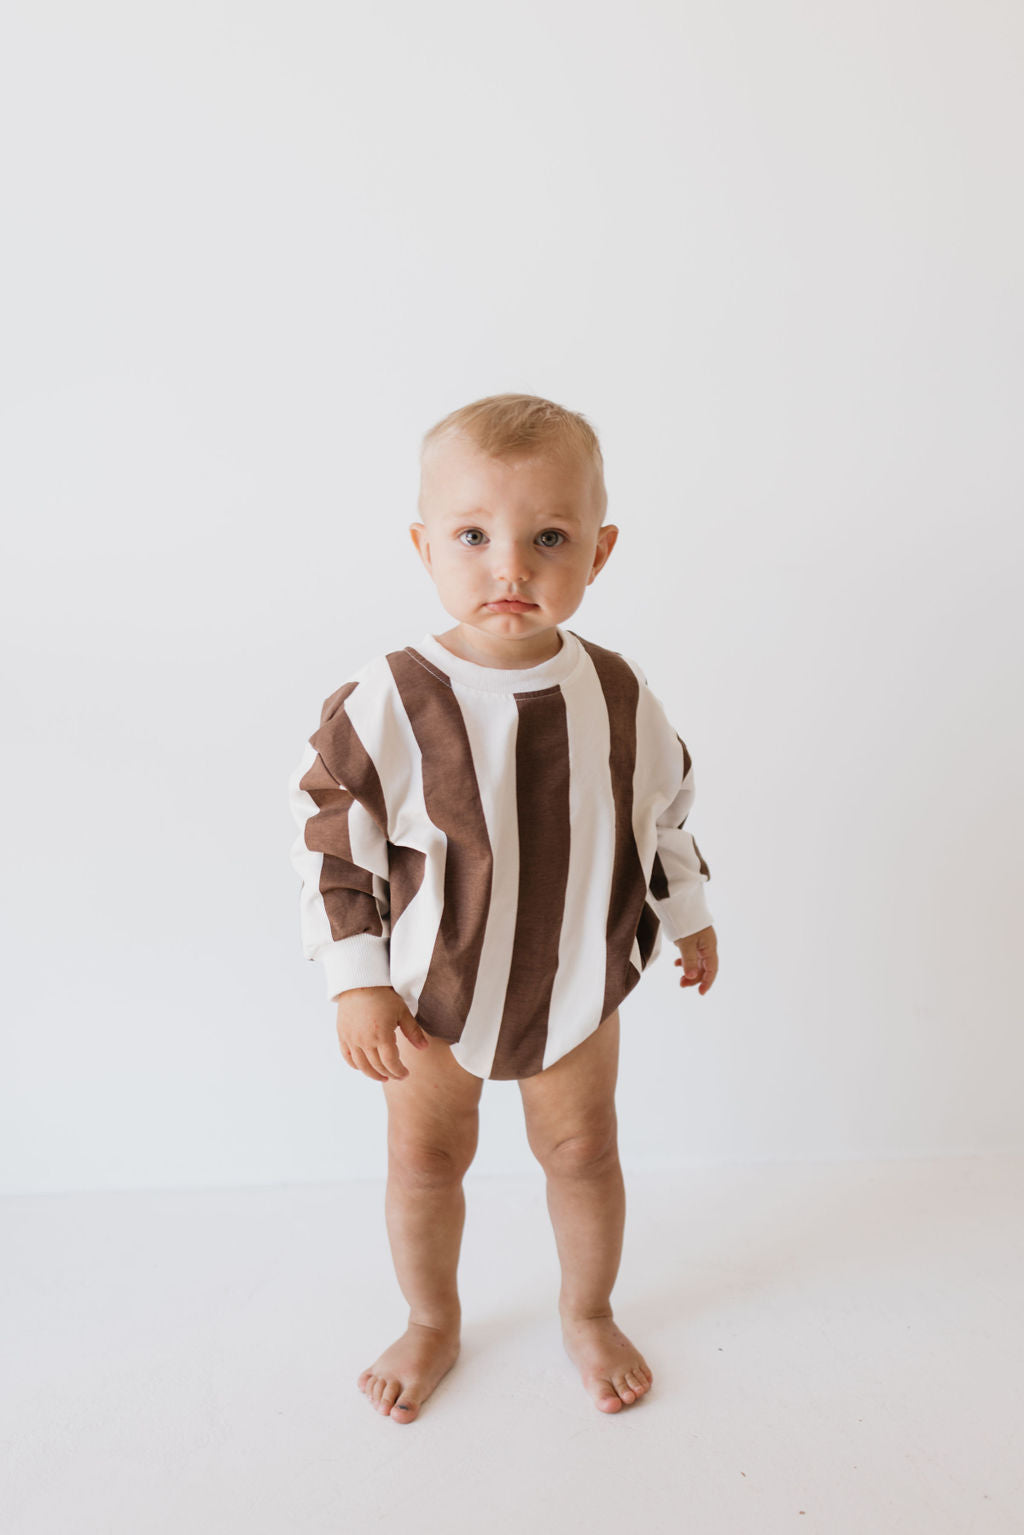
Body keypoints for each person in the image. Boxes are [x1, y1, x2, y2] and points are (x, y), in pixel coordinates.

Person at [287, 392, 719, 1423]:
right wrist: (355, 980)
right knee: (427, 1157)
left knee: (582, 1149)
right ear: (423, 542)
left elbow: (664, 806)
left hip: (576, 971)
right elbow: (335, 837)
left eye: (548, 537)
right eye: (474, 536)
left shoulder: (616, 690)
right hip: (428, 989)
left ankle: (588, 1307)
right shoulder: (389, 694)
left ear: (599, 551)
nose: (510, 567)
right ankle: (431, 1317)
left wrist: (690, 909)